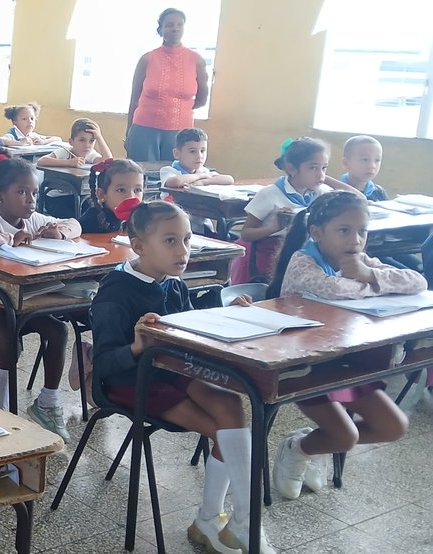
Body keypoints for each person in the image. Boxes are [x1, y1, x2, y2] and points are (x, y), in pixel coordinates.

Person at [91, 201, 275, 553]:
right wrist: (136, 346)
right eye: (171, 241)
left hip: (173, 371)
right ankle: (241, 526)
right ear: (140, 245)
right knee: (228, 428)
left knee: (232, 406)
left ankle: (216, 520)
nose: (184, 251)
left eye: (187, 240)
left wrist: (224, 316)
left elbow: (188, 326)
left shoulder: (171, 282)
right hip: (132, 381)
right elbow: (104, 366)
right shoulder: (115, 293)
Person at [267, 191, 417, 500]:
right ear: (317, 232)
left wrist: (370, 273)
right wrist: (373, 282)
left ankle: (313, 444)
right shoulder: (303, 262)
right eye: (344, 230)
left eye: (362, 231)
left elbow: (417, 282)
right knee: (345, 436)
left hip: (345, 359)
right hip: (302, 364)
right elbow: (334, 289)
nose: (356, 239)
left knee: (393, 426)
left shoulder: (358, 261)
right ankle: (298, 449)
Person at [0, 154, 78, 439]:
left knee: (58, 330)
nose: (31, 199)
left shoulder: (36, 219)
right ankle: (0, 411)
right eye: (22, 192)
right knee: (8, 339)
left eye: (34, 192)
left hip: (23, 298)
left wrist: (58, 233)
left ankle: (48, 402)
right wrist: (5, 239)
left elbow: (74, 224)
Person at [230, 137, 359, 284]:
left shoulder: (320, 192)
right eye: (313, 168)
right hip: (273, 256)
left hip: (308, 254)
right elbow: (246, 234)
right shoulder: (269, 194)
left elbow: (357, 198)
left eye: (324, 168)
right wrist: (274, 227)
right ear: (291, 169)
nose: (320, 174)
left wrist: (322, 178)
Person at [126, 8, 210, 162]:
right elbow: (134, 100)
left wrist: (178, 109)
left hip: (181, 133)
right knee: (141, 177)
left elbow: (202, 99)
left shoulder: (196, 60)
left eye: (179, 25)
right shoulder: (147, 59)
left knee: (175, 178)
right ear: (161, 29)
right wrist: (128, 132)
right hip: (144, 129)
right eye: (169, 25)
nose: (175, 28)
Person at [80, 159, 145, 234]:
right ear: (102, 195)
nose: (131, 196)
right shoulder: (91, 219)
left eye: (137, 190)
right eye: (121, 190)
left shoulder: (144, 217)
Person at [159, 128, 234, 189]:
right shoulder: (169, 170)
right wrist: (199, 176)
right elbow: (175, 181)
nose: (199, 156)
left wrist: (203, 182)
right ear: (177, 154)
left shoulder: (203, 171)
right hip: (173, 207)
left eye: (202, 151)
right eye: (192, 151)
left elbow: (229, 179)